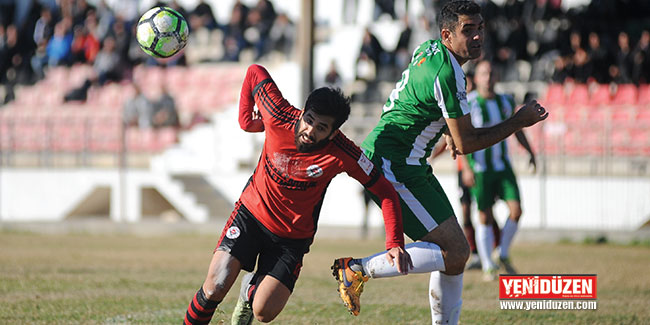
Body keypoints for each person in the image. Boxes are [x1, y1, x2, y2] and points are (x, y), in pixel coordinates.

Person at [331, 1, 548, 324]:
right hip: (394, 164)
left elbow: (422, 102)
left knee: (456, 254)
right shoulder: (448, 73)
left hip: (408, 162)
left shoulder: (430, 50)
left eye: (480, 28)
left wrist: (446, 129)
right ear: (447, 35)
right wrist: (517, 121)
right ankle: (357, 269)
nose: (477, 37)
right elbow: (467, 143)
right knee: (457, 252)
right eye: (468, 30)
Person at [182, 64, 412, 325]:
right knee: (215, 286)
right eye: (309, 120)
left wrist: (394, 243)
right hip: (251, 216)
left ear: (334, 132)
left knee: (264, 313)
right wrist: (246, 120)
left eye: (321, 128)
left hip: (291, 240)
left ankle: (250, 291)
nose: (310, 131)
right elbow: (254, 71)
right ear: (303, 113)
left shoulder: (343, 153)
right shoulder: (278, 113)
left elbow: (385, 191)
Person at [461, 60, 536, 281]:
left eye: (492, 73)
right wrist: (466, 168)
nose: (488, 77)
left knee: (516, 210)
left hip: (503, 166)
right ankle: (488, 266)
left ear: (497, 77)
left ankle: (501, 252)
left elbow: (517, 128)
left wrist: (530, 151)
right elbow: (462, 137)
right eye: (484, 73)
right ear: (476, 78)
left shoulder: (506, 101)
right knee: (484, 216)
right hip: (480, 168)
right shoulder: (469, 102)